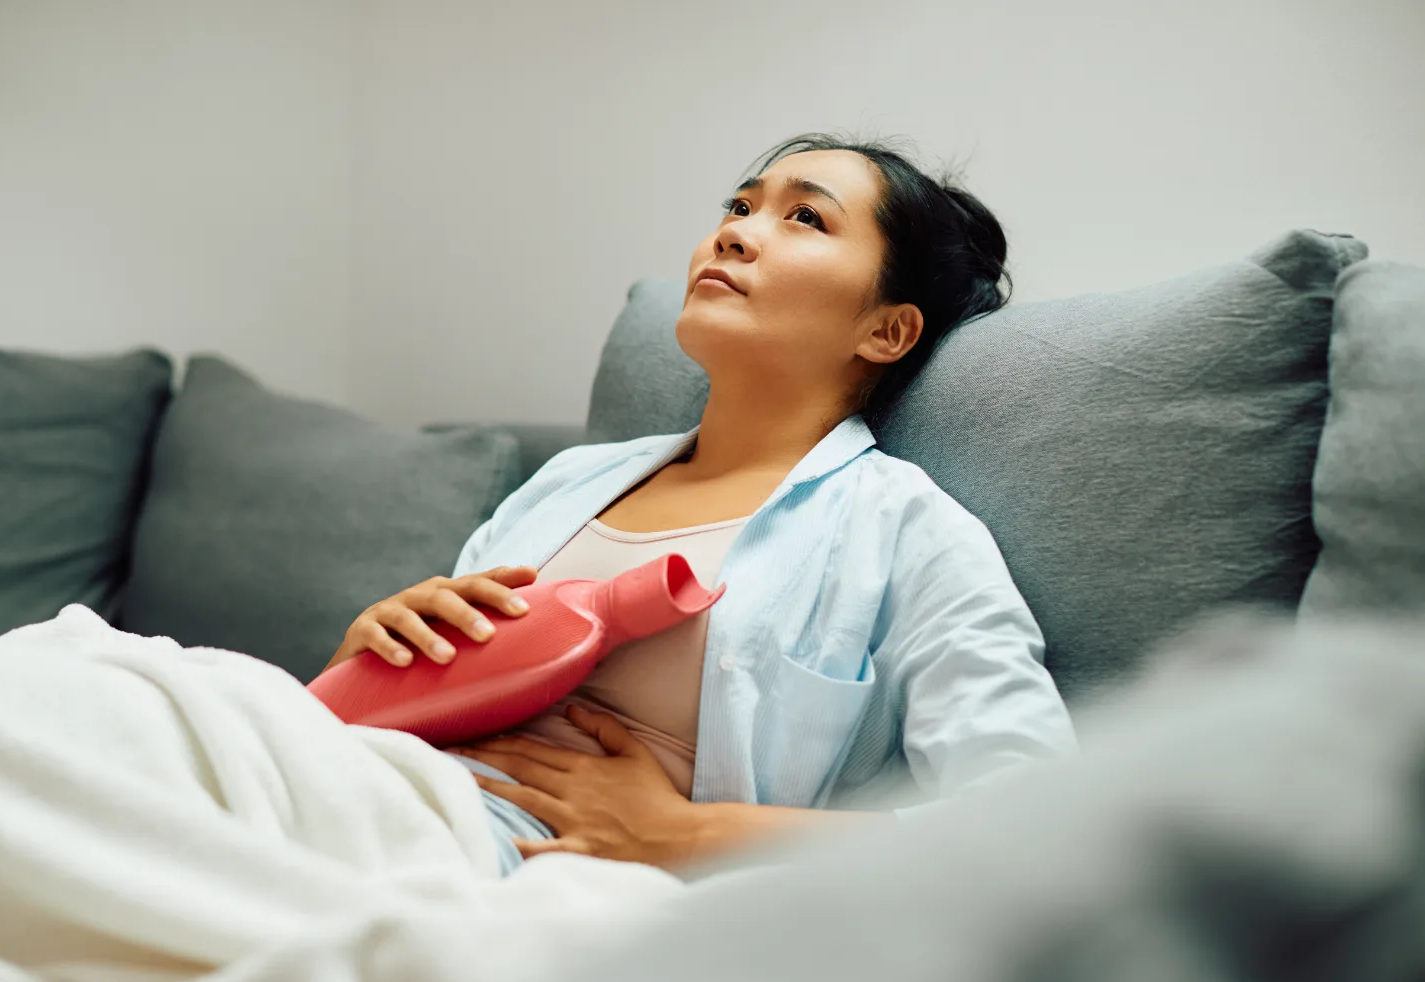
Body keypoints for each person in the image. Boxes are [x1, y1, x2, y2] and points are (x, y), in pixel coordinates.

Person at [319, 133, 1078, 876]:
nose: (737, 233)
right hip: (378, 790)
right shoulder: (566, 484)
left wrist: (688, 833)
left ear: (886, 329)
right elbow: (412, 706)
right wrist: (366, 660)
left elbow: (1031, 819)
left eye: (805, 217)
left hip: (519, 875)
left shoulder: (908, 532)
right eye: (739, 206)